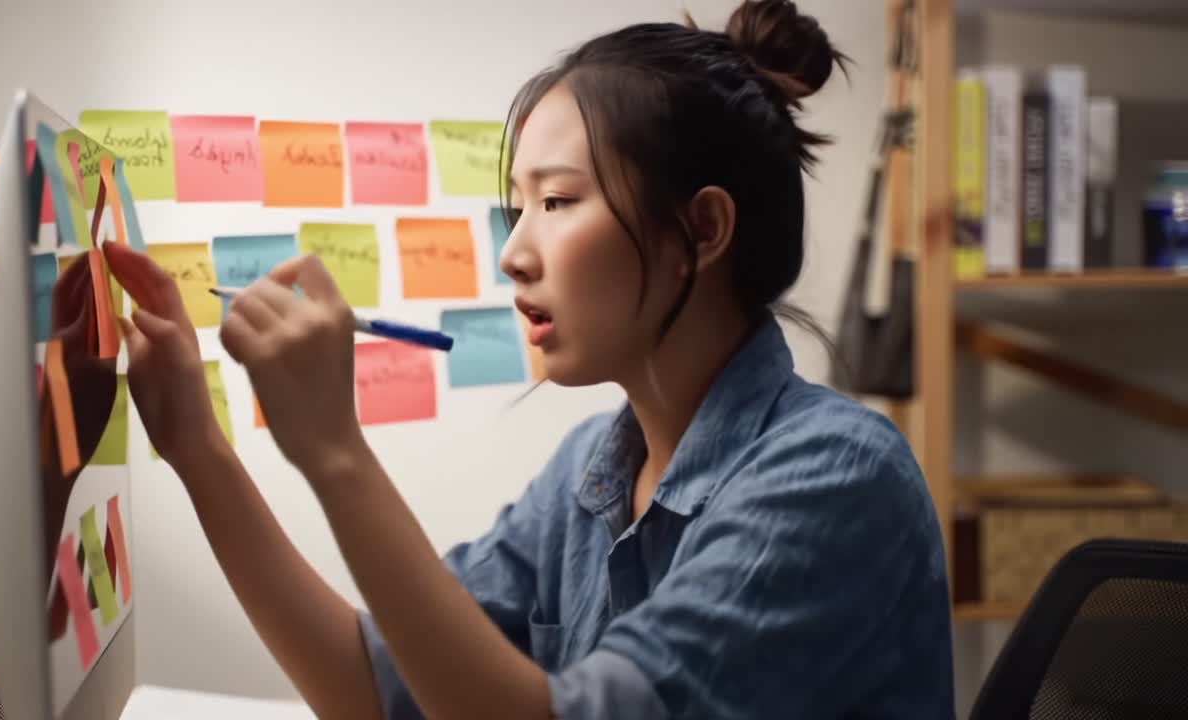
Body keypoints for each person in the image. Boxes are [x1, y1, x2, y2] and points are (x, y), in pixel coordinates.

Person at [102, 0, 956, 717]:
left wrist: (332, 449)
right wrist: (199, 452)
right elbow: (375, 691)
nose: (513, 254)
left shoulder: (837, 477)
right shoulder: (591, 473)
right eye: (519, 209)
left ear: (703, 229)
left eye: (556, 200)